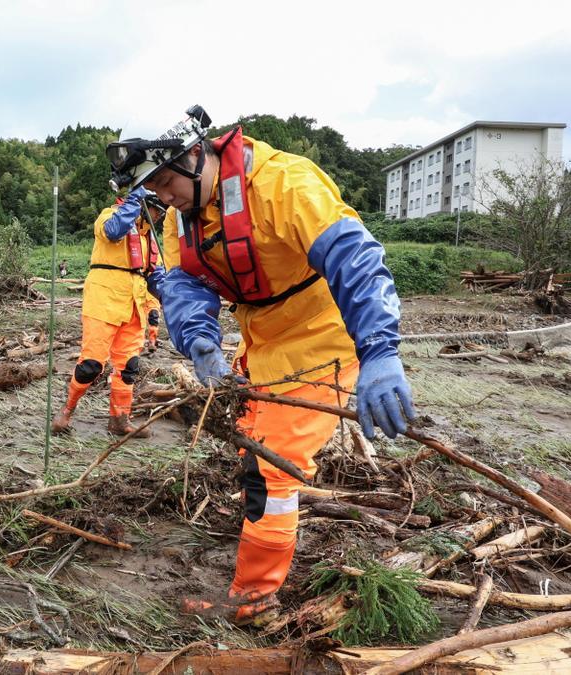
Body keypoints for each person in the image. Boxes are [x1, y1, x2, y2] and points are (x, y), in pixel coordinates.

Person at [107, 106, 415, 625]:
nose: (161, 196)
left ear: (192, 153)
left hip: (323, 337)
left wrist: (379, 350)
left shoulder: (283, 182)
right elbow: (184, 284)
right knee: (256, 461)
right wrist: (201, 342)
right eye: (152, 188)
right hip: (264, 343)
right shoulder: (187, 214)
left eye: (163, 181)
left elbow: (354, 258)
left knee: (271, 473)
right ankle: (257, 580)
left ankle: (253, 600)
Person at [51, 187, 165, 437]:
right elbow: (114, 232)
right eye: (156, 211)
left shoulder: (148, 238)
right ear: (145, 206)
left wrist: (171, 295)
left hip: (134, 306)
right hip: (104, 301)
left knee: (129, 367)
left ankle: (119, 420)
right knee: (91, 364)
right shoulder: (109, 216)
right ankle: (66, 411)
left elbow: (153, 273)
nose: (158, 217)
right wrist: (134, 201)